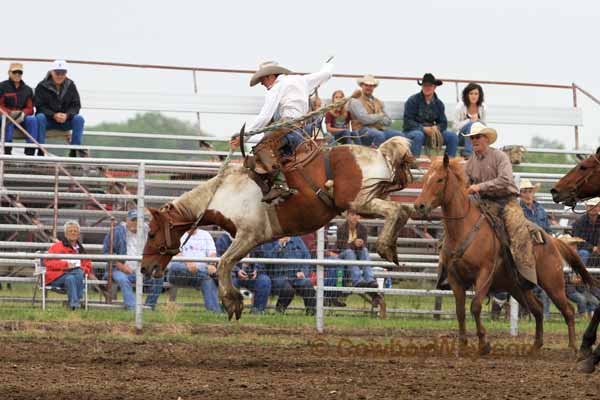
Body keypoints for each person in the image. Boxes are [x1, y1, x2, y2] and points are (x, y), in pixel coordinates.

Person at [230, 60, 333, 202]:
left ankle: (280, 184)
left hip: (288, 126)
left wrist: (244, 137)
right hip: (302, 129)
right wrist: (327, 64)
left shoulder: (277, 87)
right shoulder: (301, 80)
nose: (262, 84)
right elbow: (326, 74)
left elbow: (265, 117)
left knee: (261, 148)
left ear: (269, 76)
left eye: (262, 80)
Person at [461, 121, 537, 287]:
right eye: (472, 137)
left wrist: (479, 186)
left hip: (506, 201)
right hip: (485, 202)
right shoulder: (470, 161)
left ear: (486, 139)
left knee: (518, 231)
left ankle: (526, 273)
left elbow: (505, 180)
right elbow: (464, 181)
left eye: (477, 137)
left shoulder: (500, 156)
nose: (474, 140)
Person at [102, 210, 163, 310]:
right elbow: (106, 252)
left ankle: (149, 307)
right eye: (133, 220)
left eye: (139, 220)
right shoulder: (116, 231)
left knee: (158, 276)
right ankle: (133, 309)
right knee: (123, 279)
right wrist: (121, 266)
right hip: (119, 269)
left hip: (143, 269)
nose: (136, 223)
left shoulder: (148, 230)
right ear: (127, 220)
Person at [34, 60, 87, 157]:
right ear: (52, 72)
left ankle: (74, 151)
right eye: (57, 73)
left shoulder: (71, 85)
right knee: (40, 117)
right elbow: (39, 106)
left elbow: (76, 105)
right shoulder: (41, 86)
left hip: (65, 121)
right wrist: (53, 115)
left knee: (79, 119)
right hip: (48, 121)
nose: (60, 76)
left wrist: (67, 115)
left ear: (66, 73)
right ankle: (41, 150)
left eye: (63, 73)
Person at [519, 178, 553, 318]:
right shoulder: (517, 210)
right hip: (525, 251)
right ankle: (527, 313)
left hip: (542, 251)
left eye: (530, 191)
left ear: (533, 193)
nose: (528, 194)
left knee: (546, 282)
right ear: (520, 194)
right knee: (528, 282)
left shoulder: (541, 210)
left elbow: (548, 230)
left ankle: (544, 314)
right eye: (524, 192)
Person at [403, 73, 458, 157]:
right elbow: (407, 122)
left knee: (452, 137)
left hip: (432, 134)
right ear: (422, 86)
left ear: (434, 87)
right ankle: (413, 164)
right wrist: (423, 129)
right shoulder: (413, 100)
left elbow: (443, 123)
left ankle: (448, 164)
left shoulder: (439, 103)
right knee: (418, 135)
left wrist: (437, 128)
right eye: (425, 85)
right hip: (412, 133)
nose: (427, 88)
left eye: (430, 85)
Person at [166, 228, 221, 313]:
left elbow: (212, 254)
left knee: (207, 279)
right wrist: (187, 263)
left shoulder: (205, 235)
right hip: (180, 273)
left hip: (199, 277)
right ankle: (209, 274)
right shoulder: (176, 233)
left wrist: (212, 264)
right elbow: (175, 252)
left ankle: (214, 312)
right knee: (175, 266)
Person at [336, 210, 382, 305]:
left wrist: (360, 244)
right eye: (352, 215)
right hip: (343, 255)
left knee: (364, 250)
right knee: (349, 252)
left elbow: (364, 243)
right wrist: (354, 244)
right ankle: (357, 280)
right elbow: (340, 246)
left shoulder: (362, 229)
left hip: (357, 255)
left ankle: (369, 279)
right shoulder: (341, 228)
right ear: (348, 216)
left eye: (357, 215)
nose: (355, 217)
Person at [219, 233, 272, 314]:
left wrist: (256, 270)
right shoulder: (224, 239)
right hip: (233, 275)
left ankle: (258, 311)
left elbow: (261, 257)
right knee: (229, 280)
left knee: (264, 280)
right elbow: (221, 259)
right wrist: (236, 270)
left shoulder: (256, 237)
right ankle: (228, 309)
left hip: (251, 275)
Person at [262, 236, 317, 315]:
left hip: (296, 277)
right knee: (288, 289)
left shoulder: (297, 239)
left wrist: (303, 272)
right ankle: (279, 311)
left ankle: (311, 313)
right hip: (278, 276)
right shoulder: (272, 239)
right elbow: (267, 259)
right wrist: (279, 245)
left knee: (307, 284)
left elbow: (307, 257)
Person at [44, 221, 92, 310]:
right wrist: (66, 265)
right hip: (56, 277)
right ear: (65, 234)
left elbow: (88, 265)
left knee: (71, 278)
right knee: (77, 272)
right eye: (70, 231)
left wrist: (82, 270)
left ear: (78, 234)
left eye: (75, 231)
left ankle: (73, 305)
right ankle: (78, 300)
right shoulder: (56, 247)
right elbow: (48, 263)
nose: (73, 233)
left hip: (72, 278)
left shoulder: (81, 250)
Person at [347, 75, 403, 147]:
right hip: (361, 131)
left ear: (374, 87)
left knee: (400, 135)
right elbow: (365, 120)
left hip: (379, 130)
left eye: (371, 85)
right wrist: (380, 116)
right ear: (361, 85)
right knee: (379, 135)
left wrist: (375, 118)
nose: (368, 87)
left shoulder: (378, 101)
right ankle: (374, 156)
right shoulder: (355, 101)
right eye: (366, 85)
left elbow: (388, 121)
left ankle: (394, 157)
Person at [0, 63, 38, 155]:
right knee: (8, 120)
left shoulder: (28, 90)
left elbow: (30, 108)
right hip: (5, 116)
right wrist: (9, 113)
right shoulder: (2, 87)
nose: (17, 74)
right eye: (14, 72)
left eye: (19, 72)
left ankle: (30, 153)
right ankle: (7, 152)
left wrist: (22, 113)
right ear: (9, 73)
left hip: (21, 117)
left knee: (32, 120)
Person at [559, 234, 599, 319]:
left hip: (579, 288)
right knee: (582, 300)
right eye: (572, 245)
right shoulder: (559, 259)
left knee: (595, 301)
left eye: (575, 245)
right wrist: (570, 280)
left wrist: (580, 278)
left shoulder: (576, 258)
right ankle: (582, 318)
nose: (575, 247)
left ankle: (590, 318)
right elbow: (558, 277)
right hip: (567, 289)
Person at [454, 82, 486, 158]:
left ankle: (481, 152)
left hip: (476, 137)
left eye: (476, 94)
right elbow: (454, 127)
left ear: (479, 95)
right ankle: (468, 154)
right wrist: (469, 121)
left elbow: (484, 126)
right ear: (467, 95)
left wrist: (476, 121)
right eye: (471, 93)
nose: (473, 96)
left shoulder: (482, 107)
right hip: (461, 138)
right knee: (472, 124)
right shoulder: (460, 106)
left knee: (479, 123)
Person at [573, 197, 600, 267]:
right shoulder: (579, 222)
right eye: (590, 206)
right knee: (583, 253)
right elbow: (577, 240)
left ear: (599, 208)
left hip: (597, 249)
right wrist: (593, 248)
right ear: (586, 207)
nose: (592, 208)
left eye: (595, 206)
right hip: (584, 250)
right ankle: (581, 275)